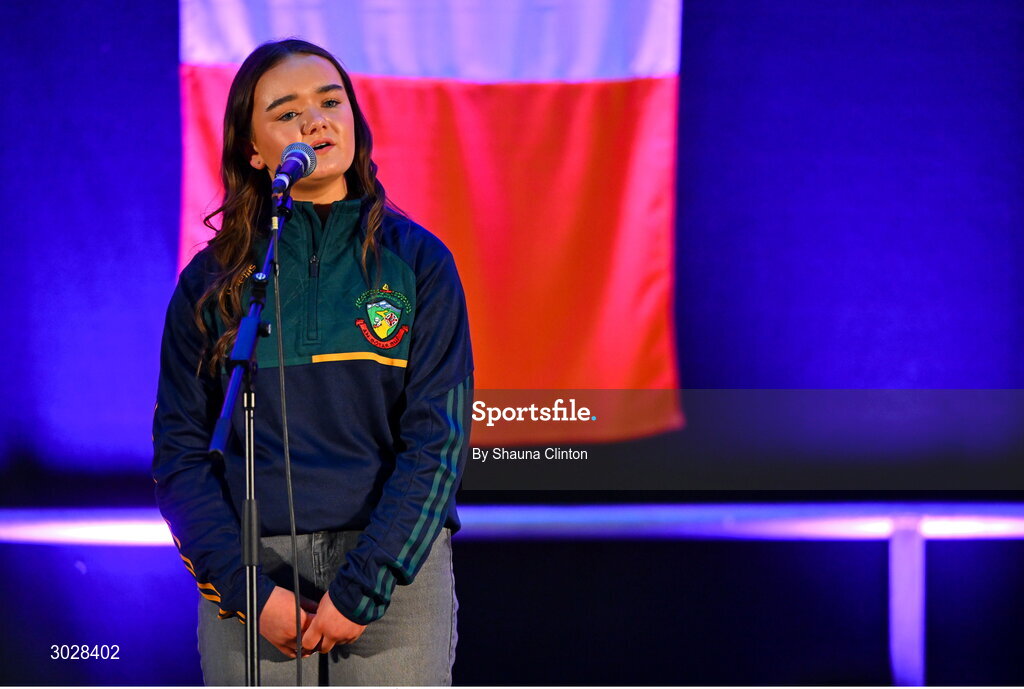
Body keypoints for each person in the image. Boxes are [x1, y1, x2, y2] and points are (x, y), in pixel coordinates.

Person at [152, 38, 473, 685]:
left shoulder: (420, 264)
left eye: (331, 102)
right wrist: (247, 587)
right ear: (253, 148)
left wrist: (365, 584)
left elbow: (438, 444)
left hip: (392, 581)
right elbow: (179, 454)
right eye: (287, 110)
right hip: (256, 580)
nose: (317, 120)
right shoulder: (212, 285)